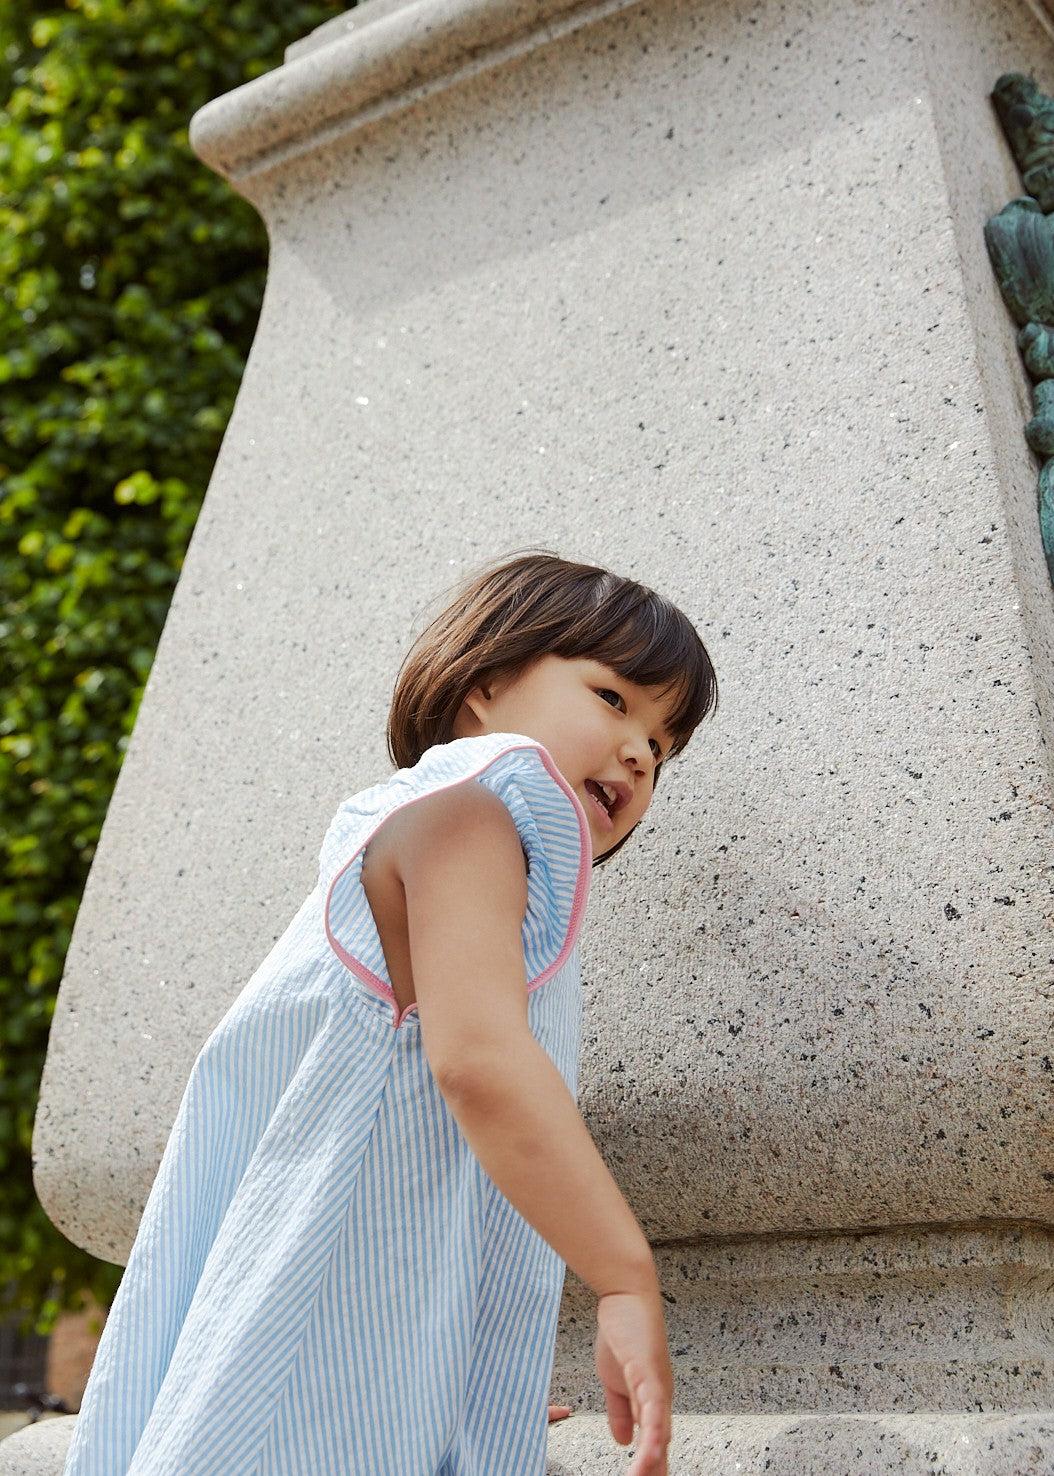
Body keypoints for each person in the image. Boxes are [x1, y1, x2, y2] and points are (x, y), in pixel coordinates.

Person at [64, 553, 717, 1476]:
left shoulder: (494, 882)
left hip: (355, 1364)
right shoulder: (464, 819)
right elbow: (478, 1062)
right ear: (487, 682)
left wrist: (457, 1369)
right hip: (294, 1379)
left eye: (663, 745)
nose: (640, 752)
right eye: (614, 700)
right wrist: (622, 1275)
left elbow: (420, 1175)